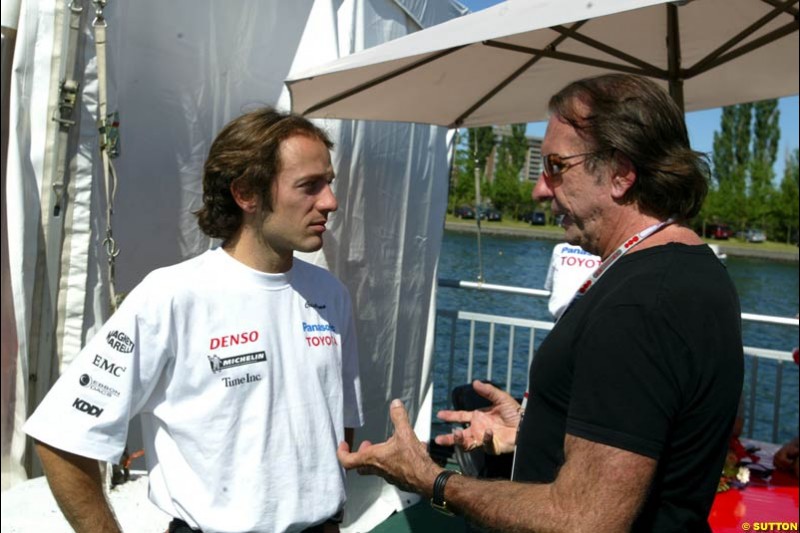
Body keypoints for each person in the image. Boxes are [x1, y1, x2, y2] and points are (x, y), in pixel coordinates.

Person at [336, 74, 743, 532]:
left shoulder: (641, 304)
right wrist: (533, 429)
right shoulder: (696, 270)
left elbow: (583, 521)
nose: (540, 189)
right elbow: (672, 423)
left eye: (555, 166)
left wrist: (432, 479)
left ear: (621, 173)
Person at [24, 108, 364, 533]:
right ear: (245, 194)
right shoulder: (172, 295)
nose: (330, 201)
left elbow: (339, 429)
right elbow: (63, 435)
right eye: (309, 186)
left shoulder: (331, 295)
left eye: (328, 182)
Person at [543, 242, 601, 319]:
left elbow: (549, 286)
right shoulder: (602, 252)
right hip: (590, 315)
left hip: (560, 314)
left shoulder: (559, 248)